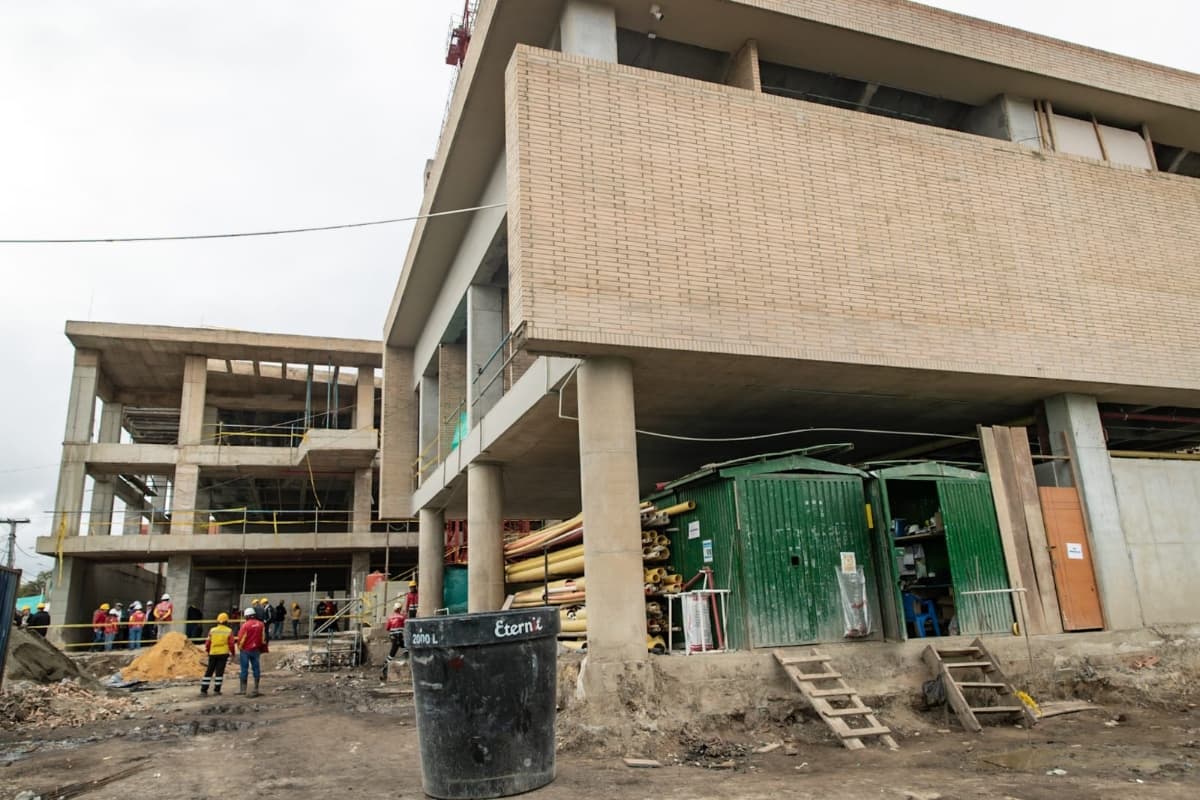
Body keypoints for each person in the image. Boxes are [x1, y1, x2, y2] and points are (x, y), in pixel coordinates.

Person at [201, 612, 236, 696]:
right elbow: (231, 644)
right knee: (219, 672)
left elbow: (208, 643)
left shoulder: (212, 630)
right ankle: (217, 690)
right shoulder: (229, 631)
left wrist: (208, 650)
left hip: (213, 653)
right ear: (226, 621)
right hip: (223, 653)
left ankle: (203, 690)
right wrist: (233, 653)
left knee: (209, 671)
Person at [236, 606, 267, 698]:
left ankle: (243, 689)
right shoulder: (261, 624)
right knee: (256, 668)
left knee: (244, 669)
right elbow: (263, 638)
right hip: (256, 650)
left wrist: (240, 648)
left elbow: (241, 638)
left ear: (247, 616)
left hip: (246, 650)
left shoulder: (245, 625)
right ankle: (256, 688)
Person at [381, 601, 407, 681]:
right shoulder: (402, 617)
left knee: (402, 648)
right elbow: (404, 625)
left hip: (393, 637)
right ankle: (384, 667)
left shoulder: (390, 617)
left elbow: (388, 628)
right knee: (394, 652)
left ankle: (385, 667)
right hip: (398, 637)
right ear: (399, 609)